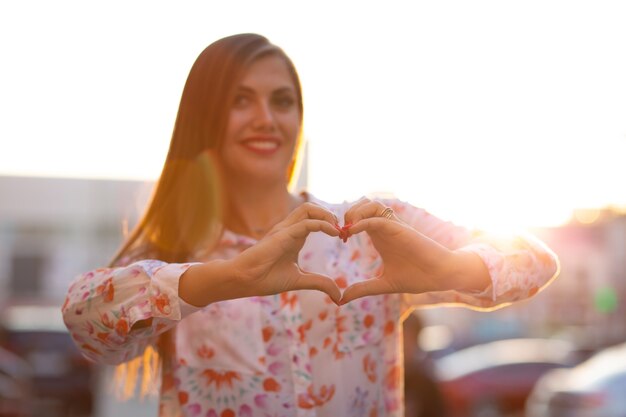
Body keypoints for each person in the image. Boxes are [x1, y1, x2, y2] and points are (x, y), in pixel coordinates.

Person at [61, 33, 559, 417]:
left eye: (282, 100)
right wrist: (227, 279)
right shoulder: (175, 247)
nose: (266, 118)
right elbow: (86, 325)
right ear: (204, 119)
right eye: (240, 100)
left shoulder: (370, 229)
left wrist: (453, 268)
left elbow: (537, 261)